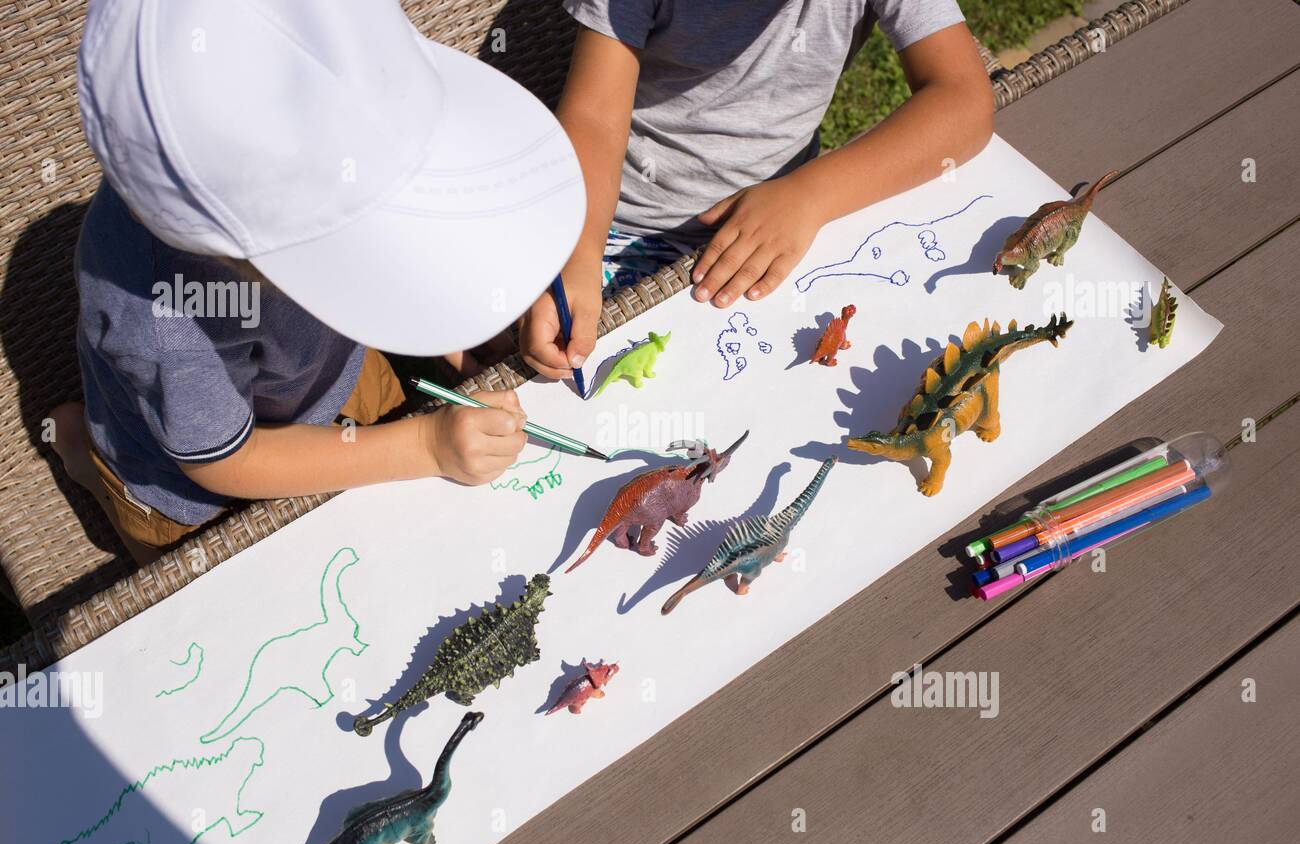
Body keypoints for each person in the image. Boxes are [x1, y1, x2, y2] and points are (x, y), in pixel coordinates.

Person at [49, 0, 585, 565]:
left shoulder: (317, 143)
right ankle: (89, 456)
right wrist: (426, 445)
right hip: (183, 483)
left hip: (329, 377)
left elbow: (371, 251)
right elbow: (220, 461)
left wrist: (450, 334)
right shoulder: (163, 315)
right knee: (223, 576)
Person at [521, 0, 992, 381]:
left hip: (781, 228)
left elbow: (965, 101)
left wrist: (811, 196)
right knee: (542, 361)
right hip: (620, 221)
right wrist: (579, 251)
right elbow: (595, 118)